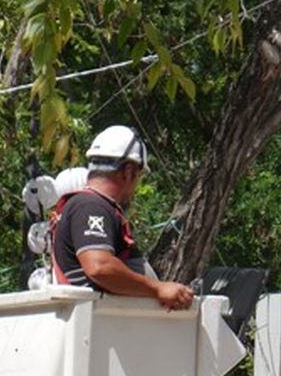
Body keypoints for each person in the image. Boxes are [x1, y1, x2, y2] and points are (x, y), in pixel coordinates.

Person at [51, 125, 195, 311]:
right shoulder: (91, 206)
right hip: (104, 331)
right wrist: (158, 288)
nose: (136, 186)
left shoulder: (91, 205)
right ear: (128, 171)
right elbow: (99, 266)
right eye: (139, 176)